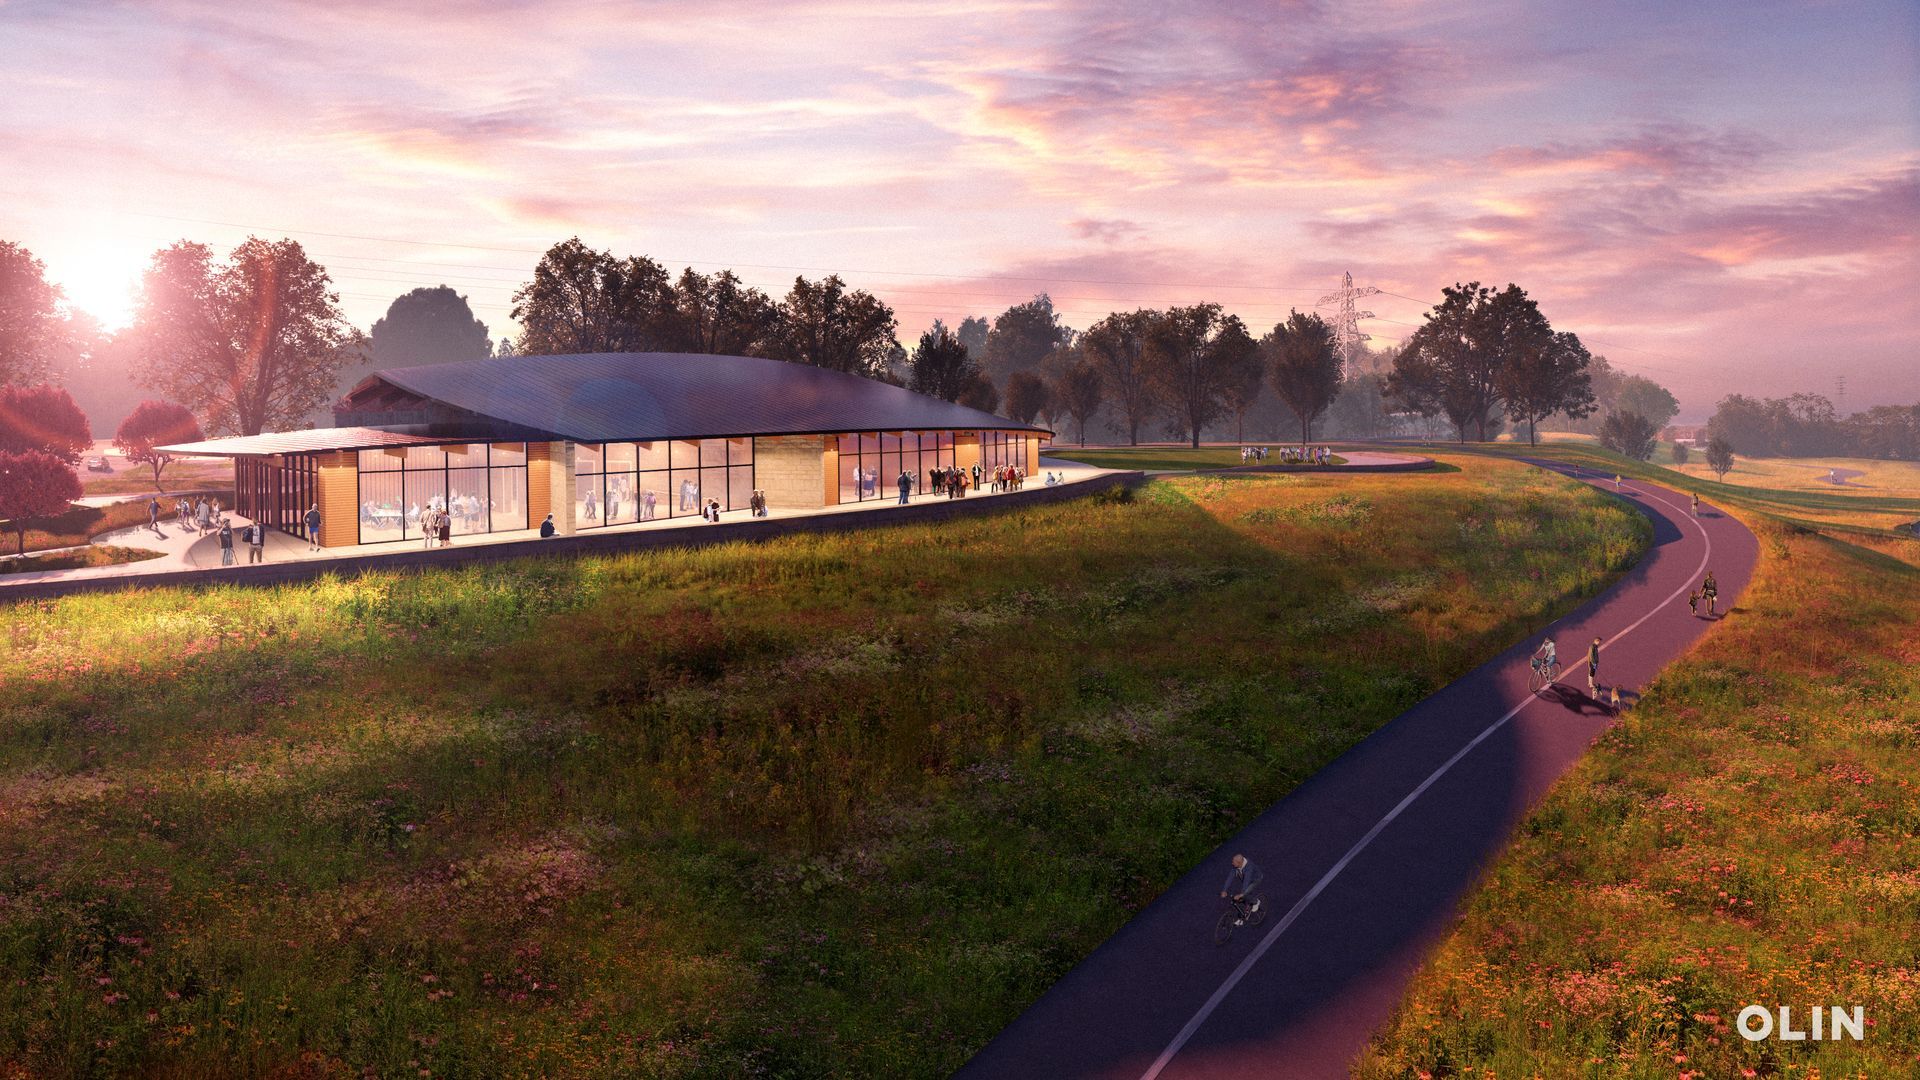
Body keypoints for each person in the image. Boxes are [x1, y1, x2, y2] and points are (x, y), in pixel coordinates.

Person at [1219, 854, 1263, 924]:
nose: (1232, 863)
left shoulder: (1249, 867)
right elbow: (1230, 877)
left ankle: (1256, 902)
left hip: (1255, 880)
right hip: (1246, 880)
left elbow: (1246, 882)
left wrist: (1241, 894)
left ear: (1239, 863)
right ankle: (1242, 916)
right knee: (1240, 899)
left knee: (1244, 894)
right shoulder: (1236, 866)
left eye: (1233, 862)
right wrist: (1224, 890)